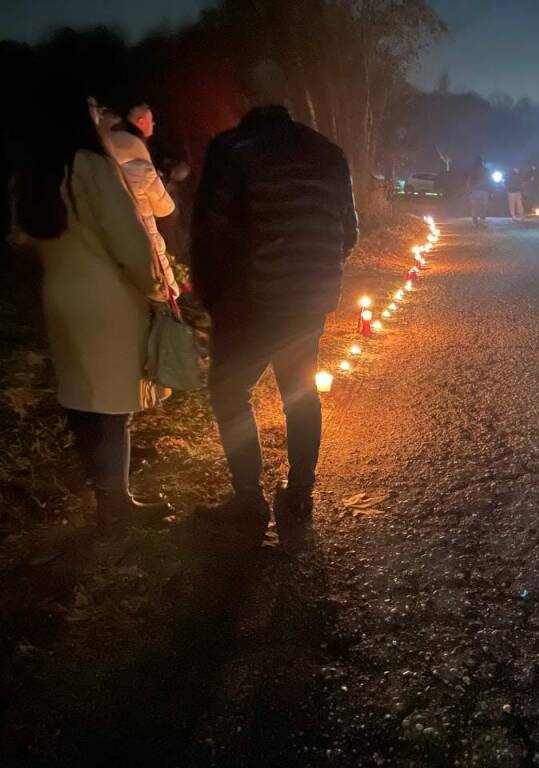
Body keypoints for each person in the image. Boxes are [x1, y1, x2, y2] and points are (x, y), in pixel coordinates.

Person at [191, 61, 358, 546]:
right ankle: (299, 495)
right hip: (309, 298)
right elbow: (348, 231)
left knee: (228, 393)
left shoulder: (231, 150)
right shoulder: (329, 154)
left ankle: (248, 498)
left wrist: (212, 298)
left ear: (245, 98)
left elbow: (211, 233)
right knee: (300, 394)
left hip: (251, 302)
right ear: (287, 97)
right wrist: (313, 274)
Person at [12, 85, 170, 536]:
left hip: (60, 299)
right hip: (106, 304)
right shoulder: (92, 167)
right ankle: (117, 506)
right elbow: (127, 237)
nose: (99, 114)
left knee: (82, 401)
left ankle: (108, 499)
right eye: (92, 109)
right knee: (111, 408)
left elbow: (21, 238)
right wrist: (156, 287)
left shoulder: (32, 173)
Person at [98, 108, 180, 298]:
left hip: (110, 253)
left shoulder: (97, 172)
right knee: (162, 296)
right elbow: (166, 208)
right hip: (146, 248)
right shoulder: (141, 168)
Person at [468, 156, 489, 227]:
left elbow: (469, 181)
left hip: (474, 191)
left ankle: (474, 221)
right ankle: (482, 221)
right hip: (484, 190)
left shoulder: (471, 170)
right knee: (483, 207)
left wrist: (469, 190)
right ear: (482, 162)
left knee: (474, 207)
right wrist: (491, 191)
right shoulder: (485, 170)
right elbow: (488, 181)